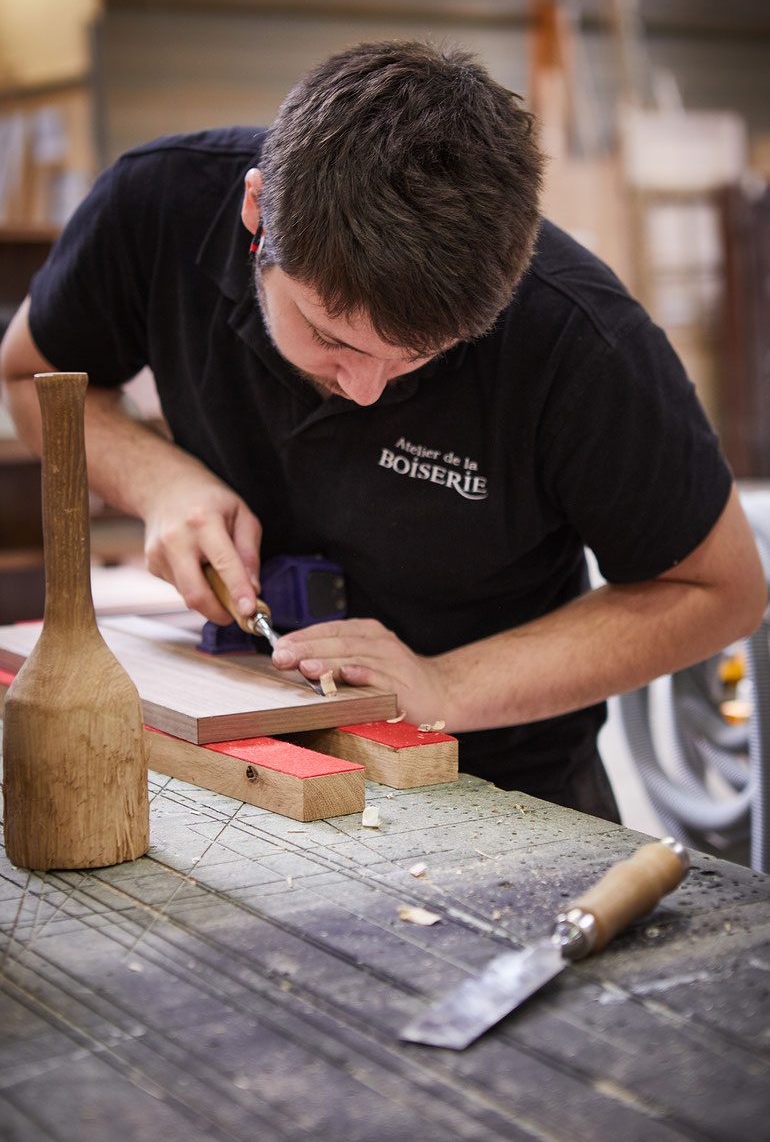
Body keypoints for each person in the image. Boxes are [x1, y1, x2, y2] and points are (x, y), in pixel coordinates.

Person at [1, 41, 765, 822]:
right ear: (257, 214)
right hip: (242, 754)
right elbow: (29, 379)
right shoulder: (154, 206)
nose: (365, 390)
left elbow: (722, 591)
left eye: (414, 360)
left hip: (499, 786)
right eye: (331, 337)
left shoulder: (577, 338)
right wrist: (158, 479)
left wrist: (444, 687)